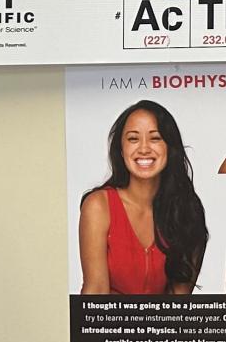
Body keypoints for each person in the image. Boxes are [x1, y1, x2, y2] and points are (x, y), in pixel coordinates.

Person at [79, 101, 208, 295]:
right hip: (106, 325)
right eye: (133, 139)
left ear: (170, 148)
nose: (144, 148)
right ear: (121, 150)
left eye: (155, 138)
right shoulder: (98, 206)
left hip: (161, 325)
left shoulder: (188, 211)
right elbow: (95, 294)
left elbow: (179, 305)